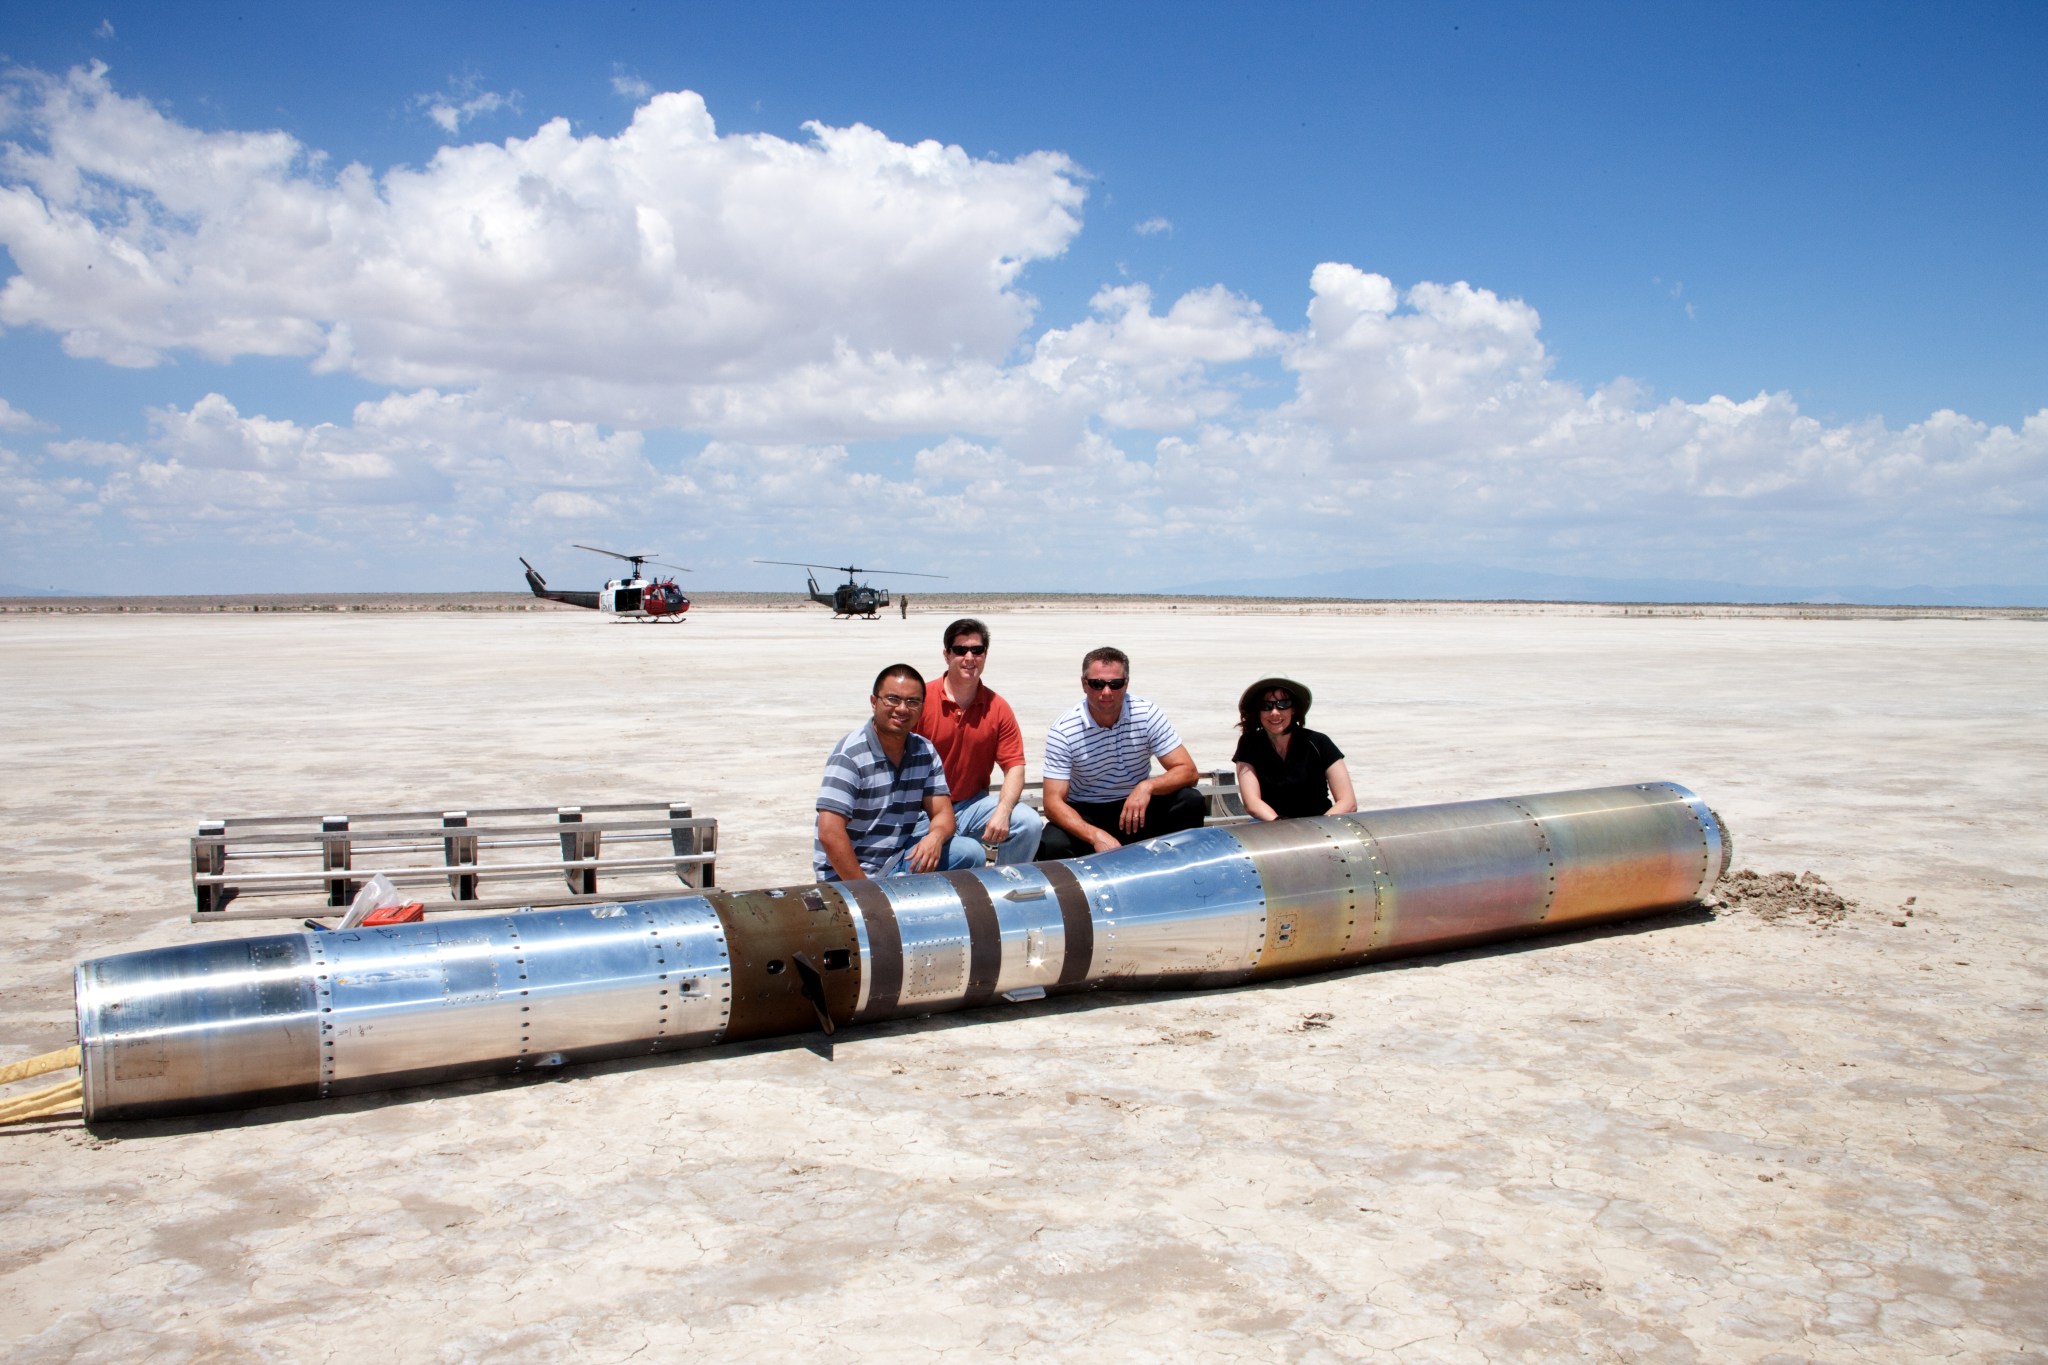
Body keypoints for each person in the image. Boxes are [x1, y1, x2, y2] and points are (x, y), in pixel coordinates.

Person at [814, 663, 985, 881]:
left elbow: (943, 814)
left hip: (895, 860)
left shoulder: (924, 750)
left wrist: (935, 837)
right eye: (893, 699)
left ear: (922, 708)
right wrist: (865, 893)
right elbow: (830, 833)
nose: (902, 709)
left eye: (912, 702)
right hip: (848, 875)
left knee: (969, 853)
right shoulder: (850, 756)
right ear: (874, 702)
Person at [1036, 646, 1206, 860]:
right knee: (1052, 844)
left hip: (1136, 808)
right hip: (1087, 812)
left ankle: (1180, 875)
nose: (1106, 692)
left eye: (1115, 684)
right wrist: (1095, 835)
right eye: (1097, 684)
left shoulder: (1146, 714)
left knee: (1190, 801)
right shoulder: (1064, 730)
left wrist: (1147, 786)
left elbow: (1189, 772)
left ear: (1126, 683)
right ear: (1083, 684)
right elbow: (1052, 803)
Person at [911, 618, 1044, 863]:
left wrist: (1003, 812)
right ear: (946, 655)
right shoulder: (920, 699)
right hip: (921, 811)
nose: (969, 657)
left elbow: (1014, 766)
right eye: (960, 650)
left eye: (977, 650)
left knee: (1029, 823)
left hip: (971, 807)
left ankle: (1007, 887)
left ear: (985, 655)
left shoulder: (998, 707)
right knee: (964, 855)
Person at [1231, 677, 1356, 821]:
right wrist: (1281, 824)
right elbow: (1252, 802)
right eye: (1266, 706)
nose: (1274, 712)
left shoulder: (1319, 742)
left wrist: (1318, 826)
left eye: (1283, 704)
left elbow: (1348, 802)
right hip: (1271, 824)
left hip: (1320, 825)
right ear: (1257, 712)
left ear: (1294, 709)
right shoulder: (1249, 744)